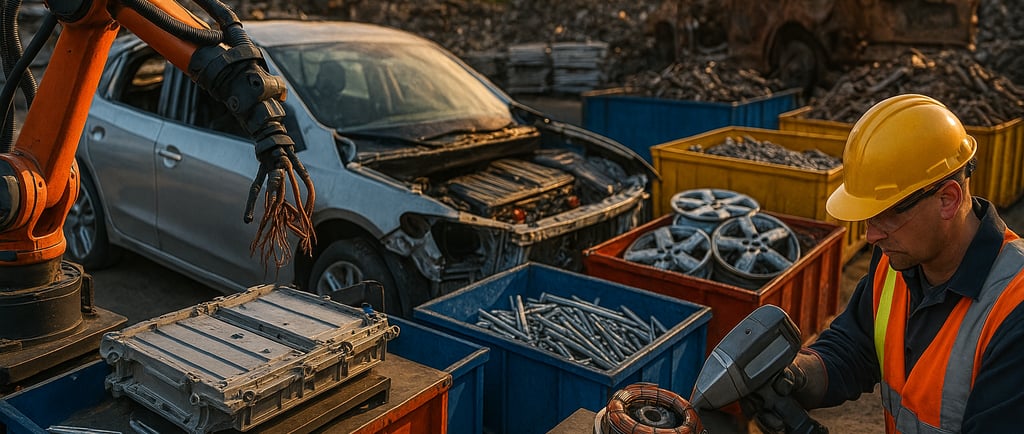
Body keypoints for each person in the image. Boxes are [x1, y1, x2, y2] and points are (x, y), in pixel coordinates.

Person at [769, 93, 1024, 433]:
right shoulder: (899, 260)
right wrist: (799, 375)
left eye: (885, 215)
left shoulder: (1013, 311)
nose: (871, 236)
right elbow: (857, 345)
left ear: (948, 199)